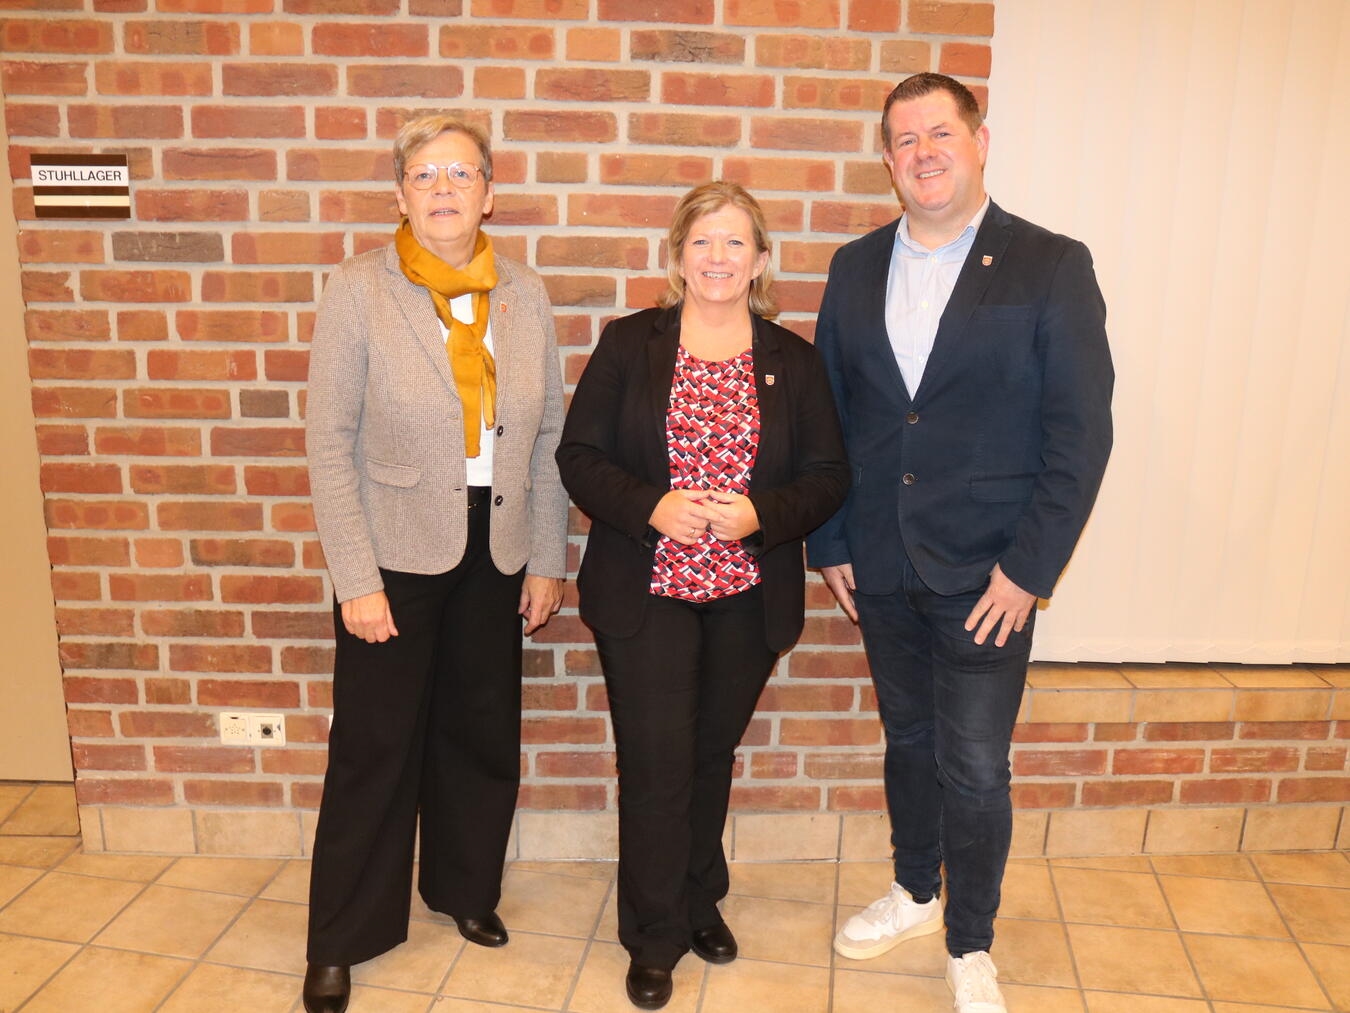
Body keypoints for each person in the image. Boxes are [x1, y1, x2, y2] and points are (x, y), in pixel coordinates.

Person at [806, 73, 1113, 1013]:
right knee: (907, 739)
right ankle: (914, 887)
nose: (923, 152)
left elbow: (1080, 434)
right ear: (887, 160)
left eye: (941, 132)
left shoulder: (1051, 265)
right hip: (882, 563)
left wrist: (1029, 570)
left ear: (983, 141)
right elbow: (829, 415)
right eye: (904, 140)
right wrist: (830, 539)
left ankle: (970, 939)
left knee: (975, 764)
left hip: (990, 574)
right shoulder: (854, 266)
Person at [556, 181, 849, 1010]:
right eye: (702, 242)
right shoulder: (628, 345)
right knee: (655, 765)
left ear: (761, 260)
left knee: (709, 757)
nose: (718, 258)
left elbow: (830, 477)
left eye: (735, 244)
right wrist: (652, 504)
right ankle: (653, 936)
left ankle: (696, 900)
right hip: (647, 591)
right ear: (678, 254)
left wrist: (761, 515)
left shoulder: (793, 361)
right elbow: (579, 456)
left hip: (747, 597)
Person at [302, 113, 568, 1013]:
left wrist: (546, 558)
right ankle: (344, 933)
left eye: (462, 173)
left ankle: (464, 890)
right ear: (400, 195)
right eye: (425, 174)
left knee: (480, 735)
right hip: (397, 553)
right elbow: (328, 443)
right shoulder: (357, 290)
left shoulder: (524, 294)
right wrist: (357, 578)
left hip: (497, 544)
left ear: (491, 193)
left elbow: (547, 440)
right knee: (373, 747)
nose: (445, 188)